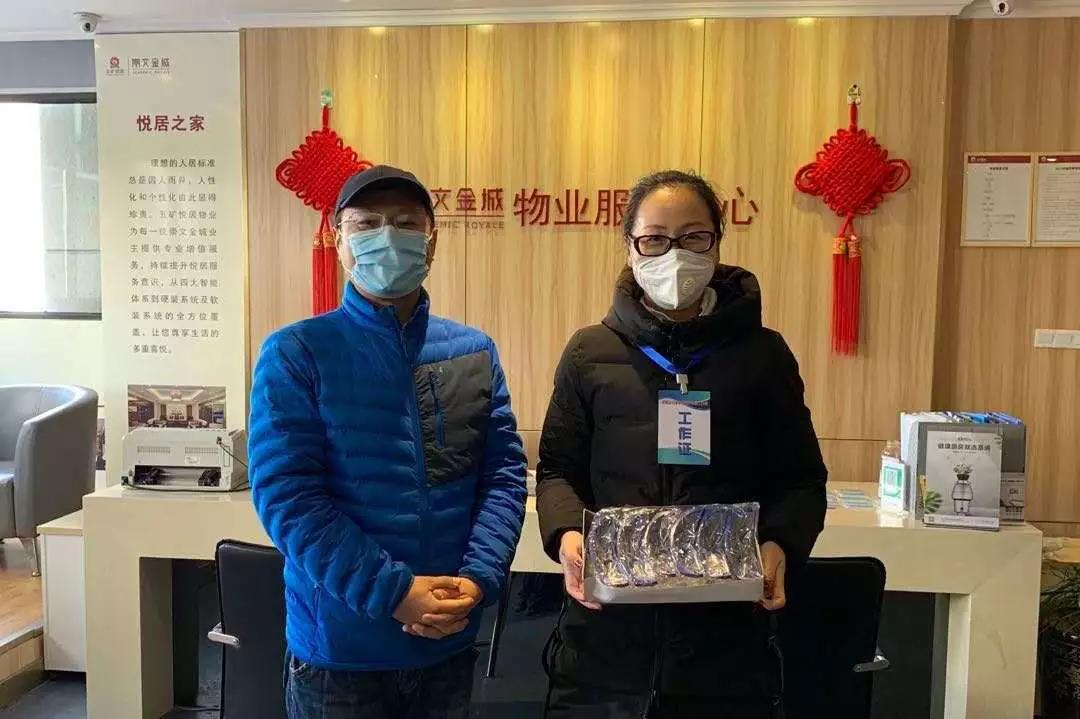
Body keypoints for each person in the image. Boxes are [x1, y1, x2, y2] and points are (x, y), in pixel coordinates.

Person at [536, 170, 828, 718]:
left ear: (717, 243)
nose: (674, 255)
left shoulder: (762, 354)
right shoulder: (589, 352)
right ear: (631, 247)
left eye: (694, 237)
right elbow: (557, 469)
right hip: (606, 635)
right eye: (655, 239)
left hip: (725, 640)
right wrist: (568, 534)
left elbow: (801, 479)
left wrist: (780, 542)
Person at [248, 165, 528, 719]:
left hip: (448, 635)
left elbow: (502, 477)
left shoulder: (472, 351)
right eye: (367, 223)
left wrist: (478, 579)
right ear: (339, 240)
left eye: (405, 223)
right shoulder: (297, 353)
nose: (387, 237)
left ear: (432, 240)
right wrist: (394, 593)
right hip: (341, 653)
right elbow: (288, 498)